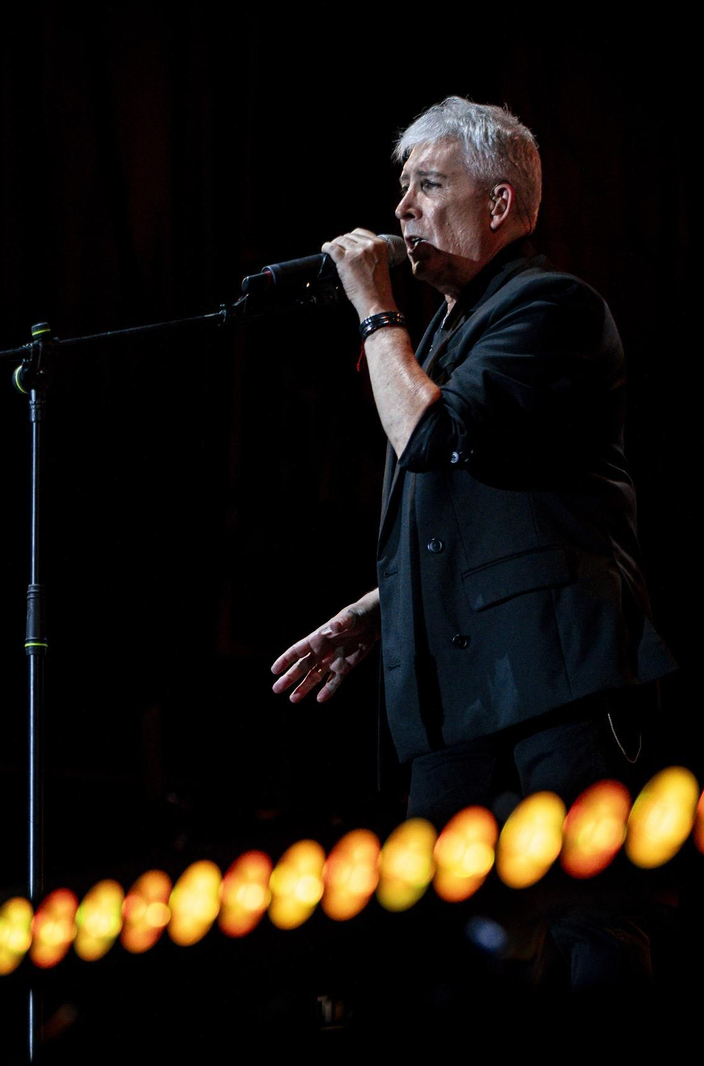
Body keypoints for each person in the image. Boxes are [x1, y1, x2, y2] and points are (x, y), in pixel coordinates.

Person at [269, 97, 674, 826]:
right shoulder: (436, 343)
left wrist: (374, 306)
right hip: (456, 704)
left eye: (428, 185)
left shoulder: (552, 307)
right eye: (403, 188)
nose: (401, 209)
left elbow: (429, 436)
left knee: (589, 921)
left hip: (557, 686)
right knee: (446, 933)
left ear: (498, 203)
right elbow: (476, 513)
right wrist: (377, 610)